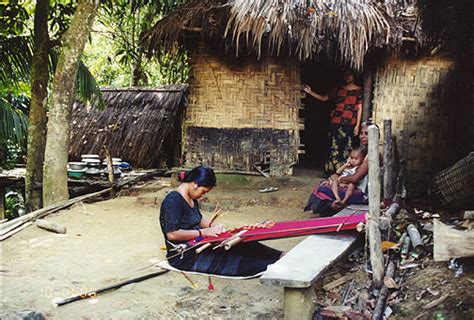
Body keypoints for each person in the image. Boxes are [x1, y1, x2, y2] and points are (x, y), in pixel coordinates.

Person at [160, 165, 282, 276]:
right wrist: (204, 232)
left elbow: (198, 219)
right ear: (195, 184)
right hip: (185, 256)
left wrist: (214, 226)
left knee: (242, 243)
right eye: (204, 191)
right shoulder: (173, 200)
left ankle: (281, 256)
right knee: (236, 262)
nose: (203, 195)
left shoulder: (191, 198)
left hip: (200, 243)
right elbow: (172, 234)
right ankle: (276, 265)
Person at [303, 70, 363, 173]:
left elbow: (359, 108)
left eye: (349, 74)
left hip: (350, 123)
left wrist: (357, 126)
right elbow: (324, 98)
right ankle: (332, 171)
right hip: (336, 122)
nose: (347, 76)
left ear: (354, 76)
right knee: (334, 146)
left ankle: (344, 171)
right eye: (345, 74)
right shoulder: (338, 90)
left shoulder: (359, 91)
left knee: (347, 147)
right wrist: (310, 92)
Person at [304, 123, 370, 216]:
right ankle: (334, 205)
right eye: (361, 133)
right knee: (325, 183)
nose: (363, 136)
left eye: (366, 134)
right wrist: (334, 179)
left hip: (361, 192)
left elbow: (355, 178)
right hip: (350, 183)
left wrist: (340, 180)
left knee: (322, 189)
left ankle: (336, 205)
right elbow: (344, 170)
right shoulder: (360, 153)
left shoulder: (371, 156)